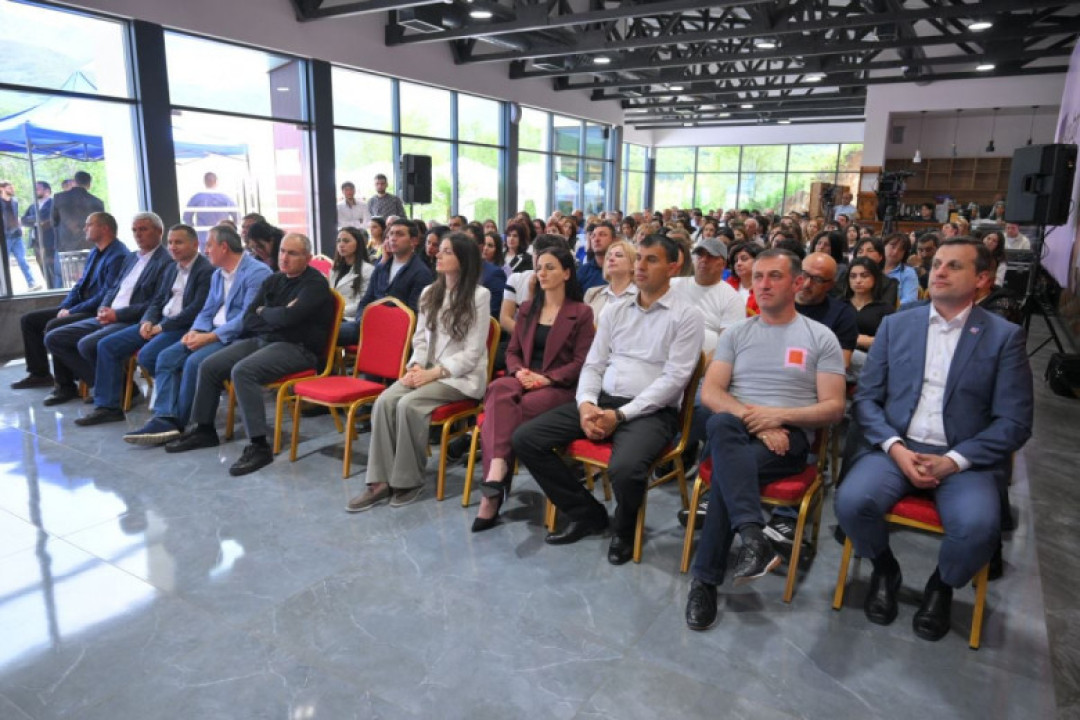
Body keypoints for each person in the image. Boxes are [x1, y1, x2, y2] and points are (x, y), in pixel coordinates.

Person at [835, 239, 1034, 642]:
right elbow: (867, 399)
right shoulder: (897, 325)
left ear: (982, 279)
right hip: (897, 448)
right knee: (851, 503)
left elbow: (1014, 421)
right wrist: (894, 447)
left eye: (953, 266)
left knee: (978, 527)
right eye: (937, 263)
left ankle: (941, 585)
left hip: (963, 459)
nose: (939, 271)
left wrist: (955, 460)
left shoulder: (1003, 337)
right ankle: (885, 570)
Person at [512, 235, 704, 565]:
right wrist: (586, 404)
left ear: (673, 267)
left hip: (651, 412)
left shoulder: (686, 315)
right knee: (526, 439)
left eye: (651, 260)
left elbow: (673, 381)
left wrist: (622, 415)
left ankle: (625, 531)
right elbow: (594, 364)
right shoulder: (616, 310)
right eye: (639, 258)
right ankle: (587, 514)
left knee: (625, 469)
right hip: (603, 400)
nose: (640, 266)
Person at [684, 249, 846, 631]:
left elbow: (834, 407)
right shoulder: (737, 333)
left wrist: (780, 417)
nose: (764, 284)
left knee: (726, 472)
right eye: (758, 276)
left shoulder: (820, 337)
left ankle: (705, 580)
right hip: (741, 428)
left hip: (789, 438)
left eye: (775, 276)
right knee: (720, 423)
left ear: (797, 282)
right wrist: (757, 421)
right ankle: (753, 536)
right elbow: (711, 392)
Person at [164, 233, 334, 476]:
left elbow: (289, 318)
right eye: (282, 251)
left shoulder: (315, 284)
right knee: (209, 365)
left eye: (292, 253)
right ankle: (204, 429)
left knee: (243, 372)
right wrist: (273, 314)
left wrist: (267, 312)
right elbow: (249, 318)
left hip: (298, 348)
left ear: (307, 258)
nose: (284, 257)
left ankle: (259, 445)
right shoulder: (274, 279)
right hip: (265, 339)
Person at [345, 232, 490, 512]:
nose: (438, 255)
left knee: (409, 405)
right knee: (385, 401)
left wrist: (433, 374)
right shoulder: (429, 292)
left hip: (459, 378)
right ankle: (379, 481)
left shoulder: (479, 296)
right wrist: (415, 366)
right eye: (440, 250)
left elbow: (472, 354)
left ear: (463, 259)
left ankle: (408, 480)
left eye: (447, 251)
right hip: (426, 371)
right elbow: (421, 340)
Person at [471, 246, 595, 532]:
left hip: (558, 386)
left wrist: (546, 379)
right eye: (539, 268)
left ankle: (491, 495)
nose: (542, 273)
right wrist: (519, 372)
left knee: (507, 413)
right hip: (523, 377)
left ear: (567, 273)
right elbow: (512, 351)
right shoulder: (527, 309)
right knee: (498, 388)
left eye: (550, 267)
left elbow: (582, 362)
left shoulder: (581, 313)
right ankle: (498, 468)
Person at [123, 225, 272, 445]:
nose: (206, 250)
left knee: (194, 362)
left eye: (209, 245)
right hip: (211, 332)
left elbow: (246, 318)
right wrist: (196, 330)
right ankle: (165, 417)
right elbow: (207, 310)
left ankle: (181, 422)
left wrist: (210, 337)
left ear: (223, 247)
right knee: (166, 357)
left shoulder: (257, 273)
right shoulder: (218, 274)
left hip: (239, 336)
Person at [76, 224, 213, 426]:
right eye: (170, 242)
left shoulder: (206, 270)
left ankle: (173, 402)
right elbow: (157, 301)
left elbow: (196, 309)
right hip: (159, 322)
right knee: (106, 345)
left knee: (148, 356)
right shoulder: (172, 268)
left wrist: (162, 327)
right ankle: (108, 407)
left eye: (179, 242)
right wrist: (148, 320)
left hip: (182, 327)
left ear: (195, 244)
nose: (173, 247)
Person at [43, 212, 171, 406]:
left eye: (143, 229)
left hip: (132, 320)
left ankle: (109, 394)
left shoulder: (166, 261)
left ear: (159, 231)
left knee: (88, 344)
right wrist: (103, 307)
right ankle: (114, 386)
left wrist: (116, 314)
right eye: (134, 230)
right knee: (54, 337)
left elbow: (155, 303)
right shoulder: (131, 258)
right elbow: (113, 288)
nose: (138, 234)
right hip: (109, 315)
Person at [11, 212, 127, 391]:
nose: (84, 228)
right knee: (29, 320)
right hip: (82, 306)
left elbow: (106, 295)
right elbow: (79, 285)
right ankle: (40, 374)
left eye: (89, 224)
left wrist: (72, 311)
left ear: (105, 228)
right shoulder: (95, 252)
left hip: (97, 311)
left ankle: (65, 386)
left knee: (54, 325)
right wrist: (65, 306)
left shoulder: (118, 255)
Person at [670, 237, 746, 355]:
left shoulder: (732, 298)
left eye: (711, 256)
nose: (704, 260)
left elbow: (729, 345)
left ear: (723, 264)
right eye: (700, 255)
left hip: (705, 359)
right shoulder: (673, 285)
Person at [357, 218, 435, 315]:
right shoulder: (382, 265)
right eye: (391, 234)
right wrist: (361, 319)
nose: (393, 238)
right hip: (370, 319)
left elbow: (413, 313)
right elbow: (366, 300)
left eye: (400, 234)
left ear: (413, 241)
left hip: (397, 322)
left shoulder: (421, 273)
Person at [843, 257, 894, 380]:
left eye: (864, 276)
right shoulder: (839, 305)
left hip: (871, 360)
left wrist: (866, 341)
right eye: (853, 276)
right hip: (840, 359)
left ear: (875, 278)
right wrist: (856, 339)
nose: (858, 280)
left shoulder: (885, 309)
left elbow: (891, 342)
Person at [331, 226, 374, 346]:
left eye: (346, 241)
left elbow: (362, 303)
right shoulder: (335, 269)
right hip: (336, 316)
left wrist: (337, 312)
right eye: (339, 241)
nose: (341, 245)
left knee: (325, 332)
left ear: (358, 244)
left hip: (354, 320)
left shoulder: (368, 270)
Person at [50, 170, 105, 253]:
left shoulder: (59, 198)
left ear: (74, 182)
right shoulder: (97, 202)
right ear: (89, 185)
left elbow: (53, 222)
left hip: (65, 244)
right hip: (89, 244)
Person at [583, 238, 637, 321]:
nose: (611, 259)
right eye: (608, 257)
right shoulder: (592, 294)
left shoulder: (643, 296)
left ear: (633, 265)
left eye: (618, 255)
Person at [1, 180, 40, 290]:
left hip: (16, 236)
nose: (12, 189)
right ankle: (4, 288)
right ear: (2, 189)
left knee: (22, 260)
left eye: (12, 187)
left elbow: (15, 215)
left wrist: (20, 226)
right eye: (9, 187)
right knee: (3, 264)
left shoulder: (14, 201)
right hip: (4, 237)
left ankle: (31, 283)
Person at [21, 181, 59, 289]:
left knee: (52, 268)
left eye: (37, 189)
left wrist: (34, 220)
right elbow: (23, 220)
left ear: (47, 191)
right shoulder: (33, 206)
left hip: (49, 241)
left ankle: (57, 290)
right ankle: (50, 290)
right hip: (36, 242)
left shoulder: (53, 204)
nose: (35, 191)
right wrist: (36, 222)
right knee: (43, 268)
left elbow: (45, 218)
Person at [182, 172, 237, 248]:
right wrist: (231, 231)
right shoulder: (225, 197)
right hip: (222, 237)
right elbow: (236, 216)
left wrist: (194, 230)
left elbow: (186, 217)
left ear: (204, 182)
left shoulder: (197, 198)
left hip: (204, 238)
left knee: (206, 255)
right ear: (216, 181)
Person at [852, 237, 899, 308]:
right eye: (860, 252)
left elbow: (885, 309)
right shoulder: (845, 277)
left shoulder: (889, 284)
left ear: (880, 256)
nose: (864, 255)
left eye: (870, 251)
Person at [725, 241, 761, 316]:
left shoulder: (764, 289)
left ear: (758, 261)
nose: (738, 263)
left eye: (744, 259)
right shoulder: (728, 284)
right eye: (736, 260)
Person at [882, 233, 919, 305]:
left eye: (901, 250)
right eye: (893, 247)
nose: (895, 252)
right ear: (884, 246)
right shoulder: (873, 268)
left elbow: (910, 300)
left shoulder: (908, 272)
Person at [577, 221, 615, 290]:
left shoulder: (621, 270)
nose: (596, 239)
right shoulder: (583, 272)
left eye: (602, 235)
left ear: (613, 240)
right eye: (593, 236)